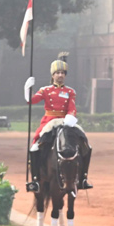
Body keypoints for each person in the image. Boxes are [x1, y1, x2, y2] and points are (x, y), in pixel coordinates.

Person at [24, 53, 92, 193]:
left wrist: (70, 117)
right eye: (57, 73)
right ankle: (36, 180)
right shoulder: (46, 90)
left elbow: (72, 108)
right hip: (49, 121)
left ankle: (83, 178)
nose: (60, 75)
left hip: (66, 120)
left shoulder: (70, 91)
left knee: (85, 143)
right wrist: (27, 88)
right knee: (35, 147)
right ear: (53, 75)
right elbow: (31, 101)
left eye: (62, 73)